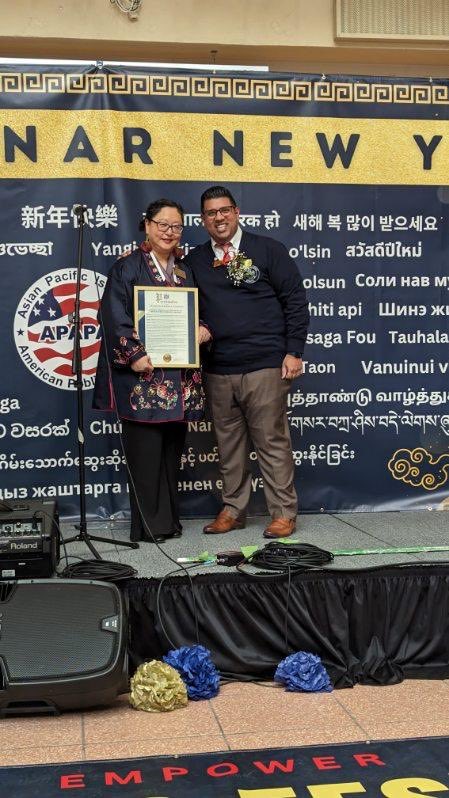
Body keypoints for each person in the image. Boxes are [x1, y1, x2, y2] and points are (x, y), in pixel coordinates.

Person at [184, 186, 309, 539]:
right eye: (211, 213)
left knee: (271, 441)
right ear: (203, 219)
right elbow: (182, 307)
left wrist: (294, 351)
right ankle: (234, 509)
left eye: (224, 210)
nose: (218, 218)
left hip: (265, 365)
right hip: (218, 368)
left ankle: (283, 512)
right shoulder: (193, 261)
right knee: (228, 446)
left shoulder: (268, 250)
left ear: (237, 212)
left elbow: (295, 302)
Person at [93, 199, 211, 543]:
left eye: (176, 227)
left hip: (180, 380)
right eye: (163, 224)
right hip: (143, 378)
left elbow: (198, 310)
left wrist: (203, 327)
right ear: (147, 225)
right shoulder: (127, 267)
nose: (169, 232)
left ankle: (169, 522)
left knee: (171, 455)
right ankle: (150, 526)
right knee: (145, 457)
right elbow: (113, 315)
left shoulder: (184, 270)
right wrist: (133, 354)